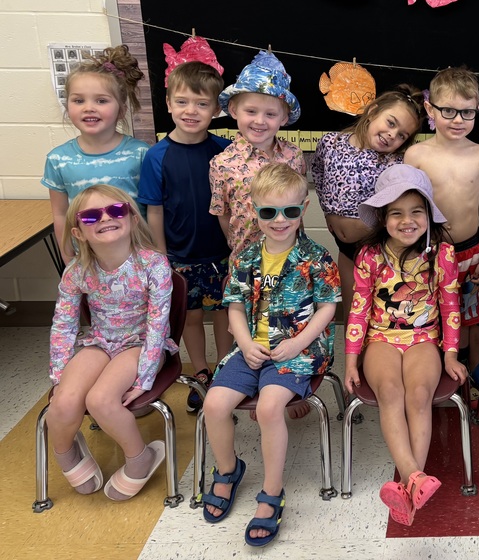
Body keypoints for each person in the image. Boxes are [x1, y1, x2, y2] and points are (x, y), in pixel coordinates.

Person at [200, 164, 340, 547]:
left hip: (299, 351)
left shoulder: (316, 257)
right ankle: (228, 470)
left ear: (304, 208)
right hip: (251, 349)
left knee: (268, 408)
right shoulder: (245, 257)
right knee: (214, 404)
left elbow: (328, 308)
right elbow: (234, 307)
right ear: (254, 210)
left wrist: (297, 343)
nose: (280, 220)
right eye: (269, 212)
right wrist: (245, 343)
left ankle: (272, 492)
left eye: (290, 211)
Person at [343, 164, 467, 526]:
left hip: (425, 338)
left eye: (416, 211)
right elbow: (358, 310)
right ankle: (415, 478)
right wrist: (351, 360)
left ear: (428, 214)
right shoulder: (370, 255)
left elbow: (451, 307)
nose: (407, 221)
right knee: (390, 392)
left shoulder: (442, 254)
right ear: (383, 218)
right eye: (396, 213)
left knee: (419, 395)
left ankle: (409, 485)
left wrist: (450, 355)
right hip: (380, 338)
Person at [46, 185, 175, 501]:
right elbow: (63, 325)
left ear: (132, 218)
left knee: (101, 400)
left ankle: (140, 456)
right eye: (92, 216)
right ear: (78, 232)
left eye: (116, 210)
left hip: (142, 344)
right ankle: (66, 453)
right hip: (100, 342)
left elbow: (158, 326)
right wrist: (60, 376)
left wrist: (145, 377)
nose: (105, 218)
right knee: (63, 402)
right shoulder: (77, 271)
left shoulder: (154, 264)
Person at [138, 60, 231, 413]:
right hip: (180, 257)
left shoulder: (225, 150)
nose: (191, 111)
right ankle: (201, 372)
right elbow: (154, 210)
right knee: (191, 317)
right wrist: (161, 258)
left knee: (224, 314)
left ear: (216, 109)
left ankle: (225, 369)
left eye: (201, 103)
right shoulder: (156, 156)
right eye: (182, 102)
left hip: (222, 254)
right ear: (168, 103)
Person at [405, 67, 479, 399]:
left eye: (466, 112)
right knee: (433, 310)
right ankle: (435, 362)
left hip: (470, 251)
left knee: (472, 313)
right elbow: (406, 208)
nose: (458, 119)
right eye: (448, 111)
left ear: (477, 110)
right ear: (430, 109)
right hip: (428, 252)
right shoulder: (416, 155)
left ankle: (471, 361)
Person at [311, 84, 425, 320]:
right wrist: (327, 212)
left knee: (378, 313)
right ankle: (353, 346)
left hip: (377, 249)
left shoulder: (396, 162)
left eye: (402, 135)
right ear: (372, 111)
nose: (392, 134)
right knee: (352, 313)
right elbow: (318, 173)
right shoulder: (331, 143)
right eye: (391, 123)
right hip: (345, 249)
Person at [42, 45, 148, 263]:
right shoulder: (58, 160)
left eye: (101, 100)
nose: (88, 108)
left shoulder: (140, 154)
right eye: (79, 100)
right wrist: (69, 260)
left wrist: (155, 251)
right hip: (88, 260)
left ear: (121, 109)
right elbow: (60, 214)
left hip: (138, 258)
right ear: (67, 106)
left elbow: (152, 210)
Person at [209, 49, 305, 266]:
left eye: (270, 114)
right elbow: (223, 214)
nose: (260, 121)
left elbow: (297, 204)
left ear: (284, 117)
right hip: (246, 263)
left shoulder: (294, 156)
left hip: (292, 261)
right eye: (251, 111)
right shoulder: (222, 164)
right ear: (234, 110)